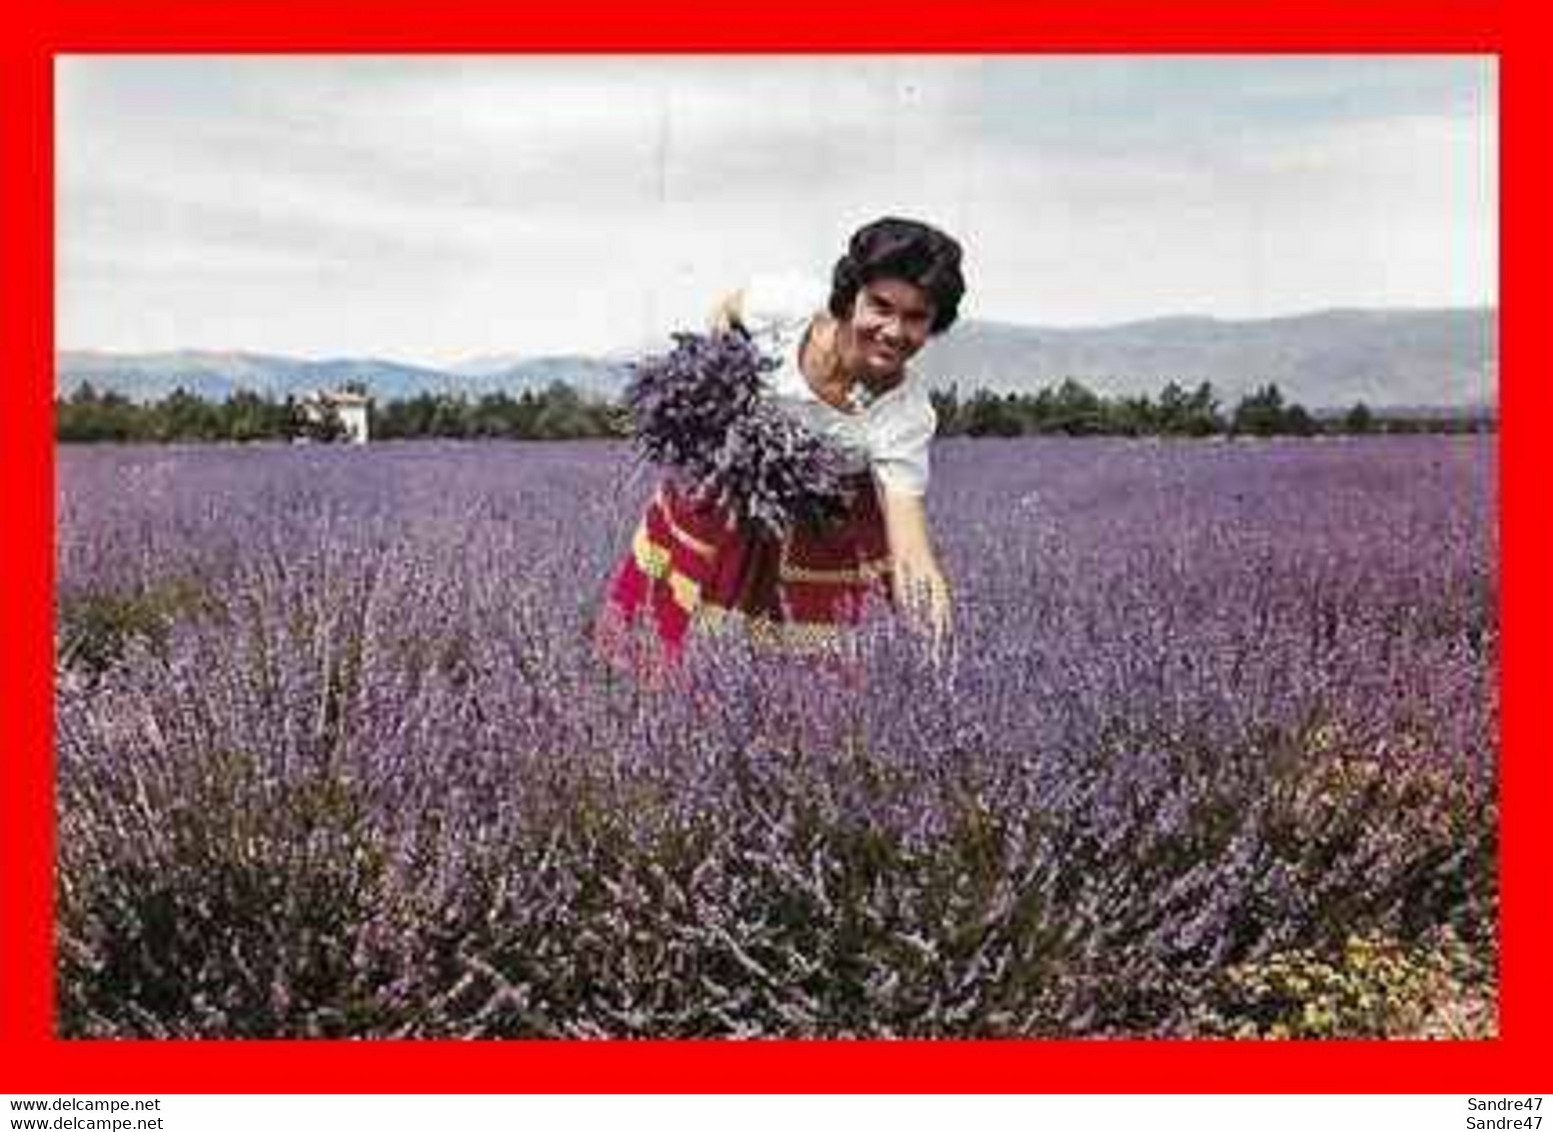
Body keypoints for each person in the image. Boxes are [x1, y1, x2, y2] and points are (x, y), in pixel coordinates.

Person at [597, 215, 965, 665]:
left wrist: (941, 655)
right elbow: (725, 313)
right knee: (674, 648)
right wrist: (717, 388)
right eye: (881, 306)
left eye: (915, 317)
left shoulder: (904, 415)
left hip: (816, 541)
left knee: (795, 684)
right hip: (723, 511)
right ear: (851, 298)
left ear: (935, 324)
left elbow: (910, 551)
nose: (893, 330)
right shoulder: (790, 307)